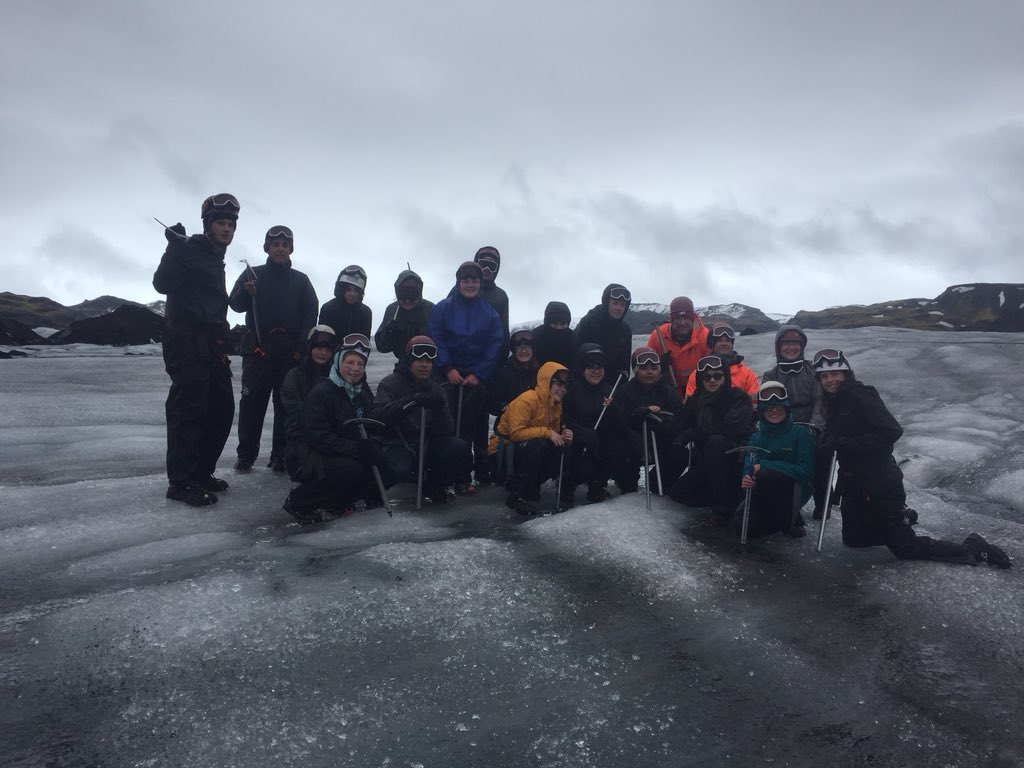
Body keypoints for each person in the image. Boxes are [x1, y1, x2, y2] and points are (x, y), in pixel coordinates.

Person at [814, 349, 1011, 568]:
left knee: (905, 548)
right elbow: (842, 433)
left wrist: (844, 443)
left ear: (846, 374)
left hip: (878, 482)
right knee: (854, 540)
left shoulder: (860, 395)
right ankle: (902, 519)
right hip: (853, 483)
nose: (830, 380)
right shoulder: (835, 401)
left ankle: (973, 547)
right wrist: (827, 439)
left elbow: (891, 431)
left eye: (835, 374)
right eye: (825, 376)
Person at [152, 193, 239, 506]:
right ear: (208, 224)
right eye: (221, 223)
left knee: (221, 408)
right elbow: (162, 284)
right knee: (188, 411)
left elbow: (212, 305)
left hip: (211, 344)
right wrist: (173, 247)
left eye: (231, 224)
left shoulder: (216, 257)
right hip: (185, 341)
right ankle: (181, 482)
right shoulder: (188, 248)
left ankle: (202, 472)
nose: (227, 229)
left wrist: (224, 339)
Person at [228, 225, 319, 473]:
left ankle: (280, 454)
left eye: (285, 245)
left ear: (291, 249)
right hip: (258, 348)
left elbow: (312, 311)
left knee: (285, 404)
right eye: (275, 244)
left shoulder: (301, 281)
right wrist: (247, 293)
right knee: (252, 403)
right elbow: (235, 304)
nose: (280, 249)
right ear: (266, 247)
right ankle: (246, 454)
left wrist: (302, 346)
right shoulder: (252, 274)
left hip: (289, 351)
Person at [282, 336, 393, 525]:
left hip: (338, 450)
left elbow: (367, 424)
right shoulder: (322, 392)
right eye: (349, 362)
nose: (355, 368)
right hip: (306, 454)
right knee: (351, 469)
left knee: (384, 463)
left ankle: (338, 501)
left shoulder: (359, 393)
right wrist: (356, 448)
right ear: (338, 362)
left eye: (360, 364)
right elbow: (317, 436)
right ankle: (299, 501)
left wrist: (371, 446)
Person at [427, 261, 504, 493]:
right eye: (465, 280)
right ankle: (443, 474)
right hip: (447, 376)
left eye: (474, 280)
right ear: (459, 282)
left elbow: (495, 344)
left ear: (480, 284)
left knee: (472, 430)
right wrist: (448, 367)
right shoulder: (443, 308)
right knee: (447, 428)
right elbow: (435, 336)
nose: (470, 284)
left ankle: (467, 476)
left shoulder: (490, 314)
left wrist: (479, 374)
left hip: (475, 379)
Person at [371, 336, 472, 503]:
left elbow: (447, 430)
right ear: (409, 361)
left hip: (425, 443)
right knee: (400, 469)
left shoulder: (435, 388)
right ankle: (374, 492)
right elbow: (379, 416)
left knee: (457, 447)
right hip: (397, 442)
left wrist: (439, 408)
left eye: (428, 361)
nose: (424, 365)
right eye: (419, 360)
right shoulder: (390, 383)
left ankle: (433, 485)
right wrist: (412, 401)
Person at [669, 355, 757, 526]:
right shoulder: (695, 400)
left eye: (717, 376)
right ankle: (723, 495)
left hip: (734, 459)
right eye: (707, 377)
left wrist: (694, 433)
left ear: (726, 377)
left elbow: (731, 428)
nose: (712, 380)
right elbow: (679, 425)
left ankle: (722, 510)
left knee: (716, 442)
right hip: (706, 462)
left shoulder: (738, 397)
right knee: (677, 493)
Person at [761, 324, 829, 519]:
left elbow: (820, 401)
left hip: (813, 427)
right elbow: (769, 406)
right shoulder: (771, 375)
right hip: (783, 428)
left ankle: (823, 500)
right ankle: (789, 505)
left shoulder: (813, 371)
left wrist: (815, 427)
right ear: (778, 347)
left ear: (802, 346)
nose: (791, 348)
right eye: (786, 344)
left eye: (795, 343)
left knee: (822, 454)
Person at [738, 382, 814, 539]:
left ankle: (791, 521)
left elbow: (805, 471)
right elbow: (750, 464)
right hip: (763, 490)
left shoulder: (801, 434)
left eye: (779, 408)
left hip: (792, 490)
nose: (774, 411)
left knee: (766, 474)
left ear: (786, 409)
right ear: (761, 411)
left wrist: (765, 465)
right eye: (769, 408)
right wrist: (746, 477)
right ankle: (773, 518)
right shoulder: (756, 437)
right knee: (743, 529)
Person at [500, 362, 574, 516]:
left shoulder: (556, 404)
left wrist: (564, 436)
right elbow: (516, 433)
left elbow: (552, 433)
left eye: (565, 386)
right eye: (559, 384)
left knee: (560, 448)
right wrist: (548, 433)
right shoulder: (527, 399)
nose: (563, 389)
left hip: (525, 449)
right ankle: (517, 495)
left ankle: (532, 488)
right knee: (538, 445)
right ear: (546, 381)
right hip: (503, 452)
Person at [561, 344, 630, 505]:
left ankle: (597, 485)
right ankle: (566, 486)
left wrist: (613, 409)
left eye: (599, 367)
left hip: (599, 443)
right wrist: (581, 433)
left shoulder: (609, 390)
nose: (596, 371)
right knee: (578, 462)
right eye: (590, 367)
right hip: (576, 444)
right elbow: (563, 418)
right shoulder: (570, 391)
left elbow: (620, 423)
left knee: (617, 448)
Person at [620, 346, 686, 494]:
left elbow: (680, 420)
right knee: (619, 449)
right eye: (643, 368)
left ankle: (657, 483)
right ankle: (627, 488)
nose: (649, 372)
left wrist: (663, 423)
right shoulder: (625, 391)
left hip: (661, 440)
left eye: (653, 368)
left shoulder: (669, 391)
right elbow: (619, 421)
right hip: (634, 443)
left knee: (680, 453)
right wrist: (637, 416)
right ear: (636, 371)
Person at [280, 324, 336, 480]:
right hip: (302, 432)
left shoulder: (338, 375)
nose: (323, 353)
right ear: (310, 348)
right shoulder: (294, 375)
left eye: (328, 350)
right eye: (319, 348)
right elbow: (292, 407)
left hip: (332, 432)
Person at [646, 296, 709, 398]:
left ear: (692, 319)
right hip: (667, 391)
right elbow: (645, 371)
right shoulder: (657, 336)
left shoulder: (705, 337)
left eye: (686, 318)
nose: (682, 323)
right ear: (671, 320)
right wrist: (658, 368)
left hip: (698, 390)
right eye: (678, 318)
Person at [684, 322, 759, 398]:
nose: (724, 343)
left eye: (727, 341)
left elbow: (754, 403)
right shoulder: (698, 374)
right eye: (719, 340)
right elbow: (689, 404)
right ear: (712, 344)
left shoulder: (747, 374)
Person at [374, 269, 435, 360]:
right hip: (403, 364)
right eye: (403, 296)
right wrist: (388, 333)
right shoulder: (392, 310)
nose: (407, 300)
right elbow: (382, 347)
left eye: (412, 296)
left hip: (427, 362)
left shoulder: (430, 309)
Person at [575, 284, 633, 378]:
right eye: (615, 303)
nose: (619, 308)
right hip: (586, 381)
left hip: (613, 385)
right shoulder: (588, 323)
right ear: (606, 303)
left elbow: (624, 365)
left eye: (622, 305)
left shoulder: (625, 330)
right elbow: (577, 358)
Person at [319, 265, 372, 338]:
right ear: (341, 290)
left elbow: (365, 340)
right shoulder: (328, 309)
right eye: (348, 289)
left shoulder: (366, 312)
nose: (352, 294)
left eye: (356, 290)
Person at [531, 301, 576, 368]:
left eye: (563, 323)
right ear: (547, 323)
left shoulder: (574, 340)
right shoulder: (534, 338)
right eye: (554, 323)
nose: (559, 327)